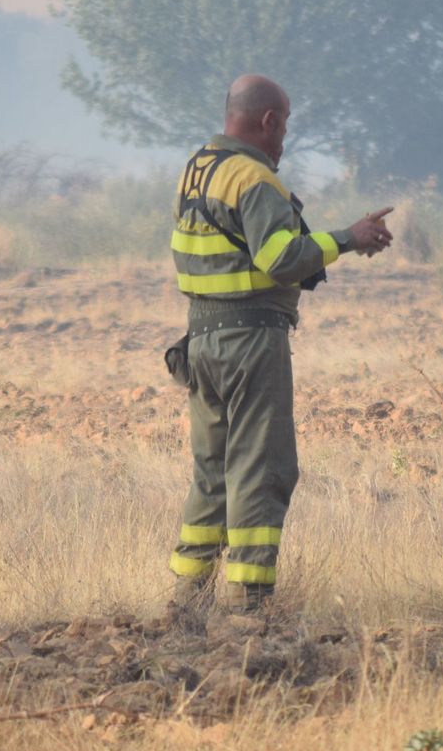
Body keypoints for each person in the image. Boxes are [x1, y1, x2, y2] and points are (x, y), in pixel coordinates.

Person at [168, 74, 394, 612]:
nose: (285, 135)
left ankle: (186, 604)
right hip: (249, 343)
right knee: (261, 468)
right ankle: (251, 605)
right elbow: (281, 258)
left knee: (213, 471)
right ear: (268, 121)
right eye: (285, 123)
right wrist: (347, 238)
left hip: (200, 341)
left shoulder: (199, 169)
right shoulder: (254, 179)